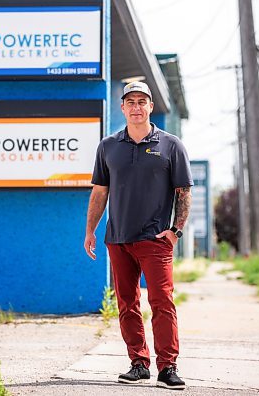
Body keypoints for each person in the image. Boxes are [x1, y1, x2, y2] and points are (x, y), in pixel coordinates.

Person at [84, 81, 193, 390]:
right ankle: (138, 363)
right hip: (117, 239)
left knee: (161, 301)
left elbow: (183, 191)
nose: (135, 106)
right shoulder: (108, 146)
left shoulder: (171, 145)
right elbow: (99, 192)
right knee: (127, 303)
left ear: (150, 107)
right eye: (130, 101)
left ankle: (168, 367)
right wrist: (90, 230)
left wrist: (176, 231)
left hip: (155, 241)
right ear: (123, 107)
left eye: (141, 101)